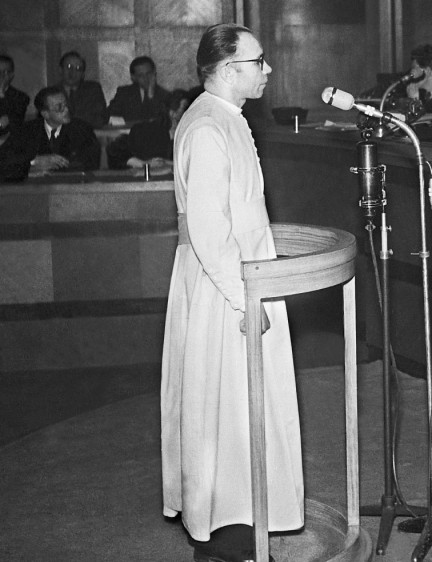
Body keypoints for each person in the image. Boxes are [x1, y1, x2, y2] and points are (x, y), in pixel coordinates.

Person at [160, 23, 301, 562]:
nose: (268, 69)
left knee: (243, 408)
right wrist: (246, 299)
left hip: (241, 279)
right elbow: (207, 229)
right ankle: (224, 533)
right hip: (224, 289)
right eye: (258, 61)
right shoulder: (206, 127)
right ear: (225, 69)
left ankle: (242, 519)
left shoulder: (228, 118)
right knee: (223, 408)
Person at [10, 85, 100, 173]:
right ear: (45, 114)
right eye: (59, 107)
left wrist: (53, 165)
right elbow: (8, 161)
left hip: (71, 181)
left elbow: (91, 162)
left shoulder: (82, 129)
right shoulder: (27, 130)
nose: (66, 110)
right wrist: (34, 162)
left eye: (66, 104)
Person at [106, 88, 190, 169]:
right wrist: (143, 164)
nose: (178, 114)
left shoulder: (189, 134)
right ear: (170, 111)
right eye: (178, 109)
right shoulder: (148, 130)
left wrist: (166, 162)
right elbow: (116, 152)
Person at [107, 56, 170, 123]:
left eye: (148, 73)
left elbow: (159, 120)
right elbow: (108, 115)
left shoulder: (165, 95)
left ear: (154, 73)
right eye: (141, 75)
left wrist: (150, 95)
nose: (146, 78)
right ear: (133, 77)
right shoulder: (124, 93)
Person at [59, 51, 108, 129]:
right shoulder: (51, 92)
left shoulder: (93, 90)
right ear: (61, 70)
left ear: (83, 74)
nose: (73, 72)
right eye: (69, 67)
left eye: (78, 68)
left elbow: (100, 118)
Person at [0, 54, 30, 136]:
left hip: (9, 141)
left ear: (11, 75)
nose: (1, 76)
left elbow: (14, 122)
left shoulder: (20, 97)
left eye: (5, 72)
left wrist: (1, 93)